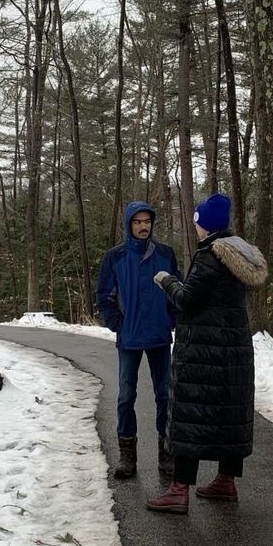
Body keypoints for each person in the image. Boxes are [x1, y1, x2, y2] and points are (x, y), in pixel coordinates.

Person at [146, 193, 267, 514]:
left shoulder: (211, 256)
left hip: (202, 351)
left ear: (206, 225)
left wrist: (167, 280)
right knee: (229, 415)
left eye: (198, 221)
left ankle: (178, 490)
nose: (195, 227)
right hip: (235, 351)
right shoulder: (240, 256)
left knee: (190, 415)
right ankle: (226, 482)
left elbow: (187, 300)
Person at [96, 200, 181, 478]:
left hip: (159, 336)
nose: (143, 226)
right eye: (138, 222)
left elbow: (176, 292)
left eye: (147, 222)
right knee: (125, 396)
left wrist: (171, 320)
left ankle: (166, 453)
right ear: (129, 224)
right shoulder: (115, 257)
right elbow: (104, 296)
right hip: (129, 337)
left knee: (165, 396)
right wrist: (118, 324)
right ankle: (127, 457)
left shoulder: (166, 254)